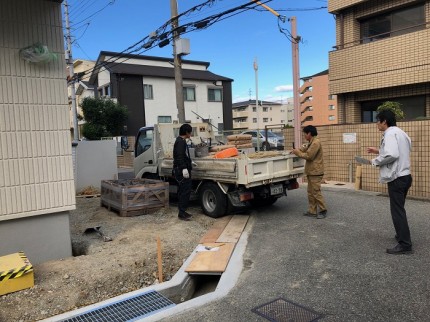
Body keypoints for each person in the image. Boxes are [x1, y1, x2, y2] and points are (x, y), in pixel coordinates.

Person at [367, 109, 413, 255]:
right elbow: (398, 151)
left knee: (397, 211)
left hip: (397, 178)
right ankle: (401, 235)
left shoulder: (389, 133)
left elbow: (392, 154)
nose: (376, 124)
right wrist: (379, 151)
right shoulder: (401, 133)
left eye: (377, 120)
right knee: (400, 209)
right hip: (406, 175)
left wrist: (375, 161)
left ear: (384, 121)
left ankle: (405, 244)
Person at [291, 125, 327, 219]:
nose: (304, 136)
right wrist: (296, 150)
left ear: (309, 133)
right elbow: (304, 148)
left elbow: (309, 156)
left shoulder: (316, 143)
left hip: (316, 172)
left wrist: (297, 153)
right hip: (311, 171)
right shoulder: (311, 142)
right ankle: (312, 211)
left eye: (305, 134)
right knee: (310, 192)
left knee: (316, 192)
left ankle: (323, 210)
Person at [173, 123, 193, 221]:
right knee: (184, 191)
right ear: (186, 132)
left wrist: (189, 161)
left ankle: (182, 211)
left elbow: (183, 155)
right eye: (190, 132)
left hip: (180, 169)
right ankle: (182, 213)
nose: (191, 134)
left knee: (183, 191)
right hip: (181, 171)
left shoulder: (181, 141)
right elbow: (179, 156)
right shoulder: (180, 142)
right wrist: (184, 168)